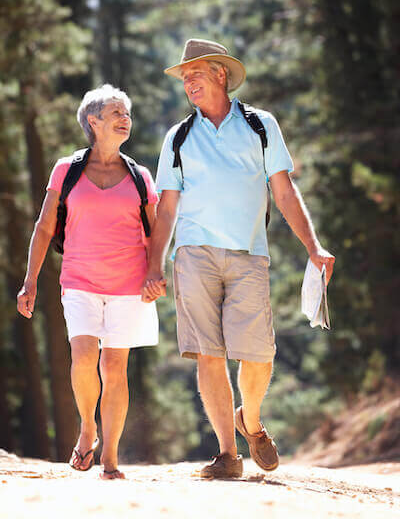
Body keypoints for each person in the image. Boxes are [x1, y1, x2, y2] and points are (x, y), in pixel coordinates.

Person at [142, 39, 335, 479]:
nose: (188, 81)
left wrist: (313, 246)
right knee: (209, 354)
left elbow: (283, 191)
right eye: (184, 76)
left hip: (249, 253)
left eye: (196, 73)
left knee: (258, 355)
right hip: (192, 254)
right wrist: (155, 264)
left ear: (221, 74)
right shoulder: (178, 138)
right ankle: (228, 455)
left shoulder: (261, 126)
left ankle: (250, 420)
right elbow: (167, 208)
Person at [17, 84, 159, 480]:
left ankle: (110, 459)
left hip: (129, 286)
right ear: (92, 121)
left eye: (127, 112)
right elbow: (45, 228)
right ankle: (87, 426)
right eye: (116, 112)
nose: (124, 118)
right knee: (82, 359)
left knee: (115, 368)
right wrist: (29, 281)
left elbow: (157, 232)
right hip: (79, 280)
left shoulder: (139, 176)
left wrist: (157, 272)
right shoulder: (66, 170)